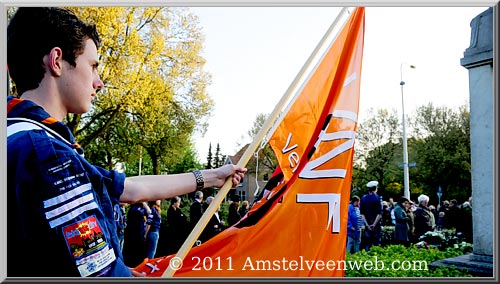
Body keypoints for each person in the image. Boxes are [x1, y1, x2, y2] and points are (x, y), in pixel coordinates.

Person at [6, 7, 247, 277]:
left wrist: (214, 176)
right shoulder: (48, 155)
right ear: (57, 61)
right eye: (93, 66)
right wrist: (114, 272)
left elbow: (128, 189)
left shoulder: (19, 136)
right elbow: (96, 271)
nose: (99, 82)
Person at [122, 202, 150, 267]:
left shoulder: (141, 209)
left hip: (139, 234)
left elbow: (149, 212)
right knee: (133, 255)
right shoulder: (135, 208)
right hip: (134, 235)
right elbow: (148, 211)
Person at [360, 180, 382, 252]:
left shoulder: (363, 198)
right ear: (375, 188)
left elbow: (362, 213)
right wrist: (374, 224)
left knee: (368, 242)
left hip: (367, 224)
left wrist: (367, 225)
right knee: (376, 242)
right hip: (376, 224)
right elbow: (379, 213)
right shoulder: (377, 198)